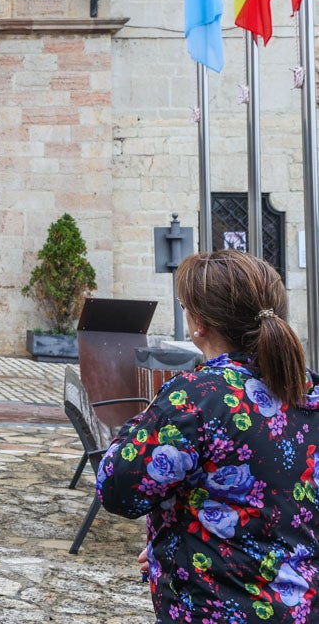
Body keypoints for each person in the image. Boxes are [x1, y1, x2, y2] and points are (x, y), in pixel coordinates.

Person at [97, 250, 319, 624]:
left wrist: (143, 424)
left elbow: (117, 487)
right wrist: (174, 536)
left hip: (212, 611)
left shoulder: (197, 398)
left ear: (198, 323)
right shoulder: (308, 389)